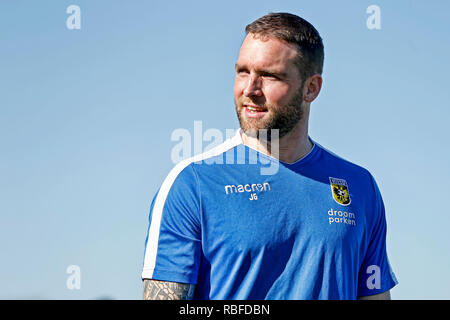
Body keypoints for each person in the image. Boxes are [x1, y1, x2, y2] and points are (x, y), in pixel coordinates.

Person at [141, 12, 398, 300]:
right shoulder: (193, 184)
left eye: (269, 76)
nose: (249, 90)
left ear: (311, 88)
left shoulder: (359, 186)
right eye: (242, 72)